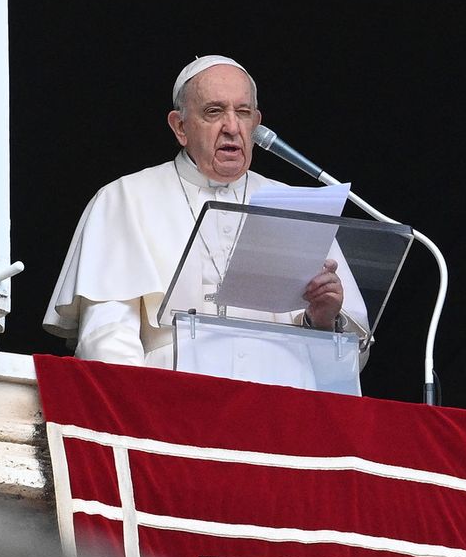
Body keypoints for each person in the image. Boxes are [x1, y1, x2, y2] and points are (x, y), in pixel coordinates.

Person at [43, 55, 367, 368]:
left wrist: (323, 320)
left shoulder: (295, 206)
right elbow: (107, 338)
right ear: (180, 126)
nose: (231, 126)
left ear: (256, 124)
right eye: (214, 112)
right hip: (172, 404)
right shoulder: (125, 198)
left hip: (282, 405)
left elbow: (349, 361)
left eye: (243, 112)